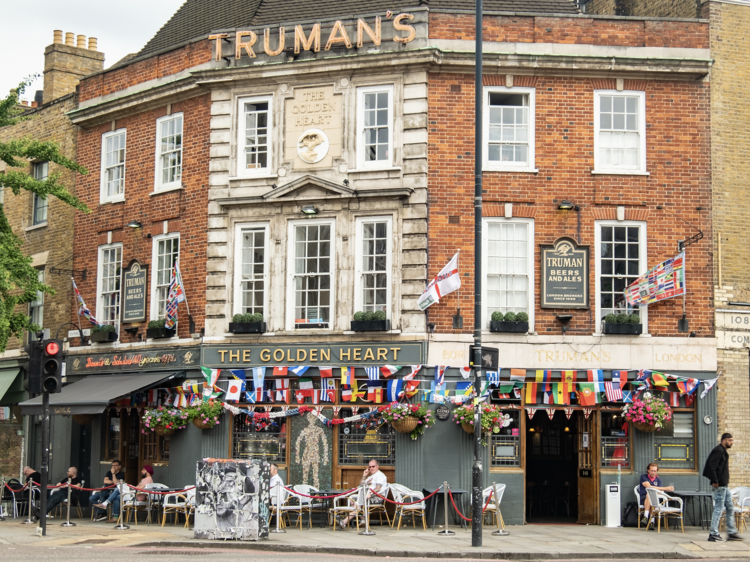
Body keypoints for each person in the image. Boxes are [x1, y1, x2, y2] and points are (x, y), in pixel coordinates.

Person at [704, 433, 742, 542]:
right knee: (719, 509)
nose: (732, 442)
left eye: (732, 440)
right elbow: (712, 466)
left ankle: (732, 533)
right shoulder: (719, 450)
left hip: (725, 486)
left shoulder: (723, 451)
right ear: (724, 440)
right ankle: (713, 534)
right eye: (730, 440)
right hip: (719, 486)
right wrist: (715, 481)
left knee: (730, 508)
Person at [339, 459, 387, 529]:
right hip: (365, 496)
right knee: (351, 500)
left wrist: (370, 493)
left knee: (357, 503)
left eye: (373, 466)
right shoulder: (371, 476)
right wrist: (364, 475)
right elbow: (361, 485)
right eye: (369, 467)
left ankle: (344, 521)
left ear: (377, 467)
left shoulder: (380, 475)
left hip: (377, 497)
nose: (371, 468)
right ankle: (363, 518)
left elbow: (378, 488)